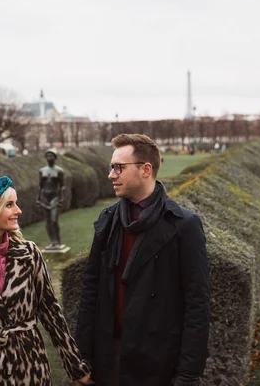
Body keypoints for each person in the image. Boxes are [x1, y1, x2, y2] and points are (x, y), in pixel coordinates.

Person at [75, 134, 210, 386]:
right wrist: (81, 356)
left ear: (146, 170)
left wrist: (189, 372)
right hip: (110, 355)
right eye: (111, 167)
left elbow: (197, 304)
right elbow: (91, 291)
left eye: (118, 168)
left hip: (158, 361)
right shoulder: (108, 220)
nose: (111, 175)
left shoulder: (184, 225)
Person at [0, 176, 92, 385]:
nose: (18, 211)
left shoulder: (29, 254)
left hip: (31, 368)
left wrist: (75, 366)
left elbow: (51, 313)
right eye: (9, 205)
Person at [36, 148, 65, 250]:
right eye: (47, 156)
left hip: (54, 198)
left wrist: (61, 198)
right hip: (44, 197)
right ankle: (52, 241)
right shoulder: (42, 171)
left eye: (51, 156)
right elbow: (40, 186)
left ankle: (57, 241)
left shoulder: (59, 171)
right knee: (47, 221)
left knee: (54, 220)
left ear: (55, 157)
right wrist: (38, 198)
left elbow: (61, 186)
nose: (49, 158)